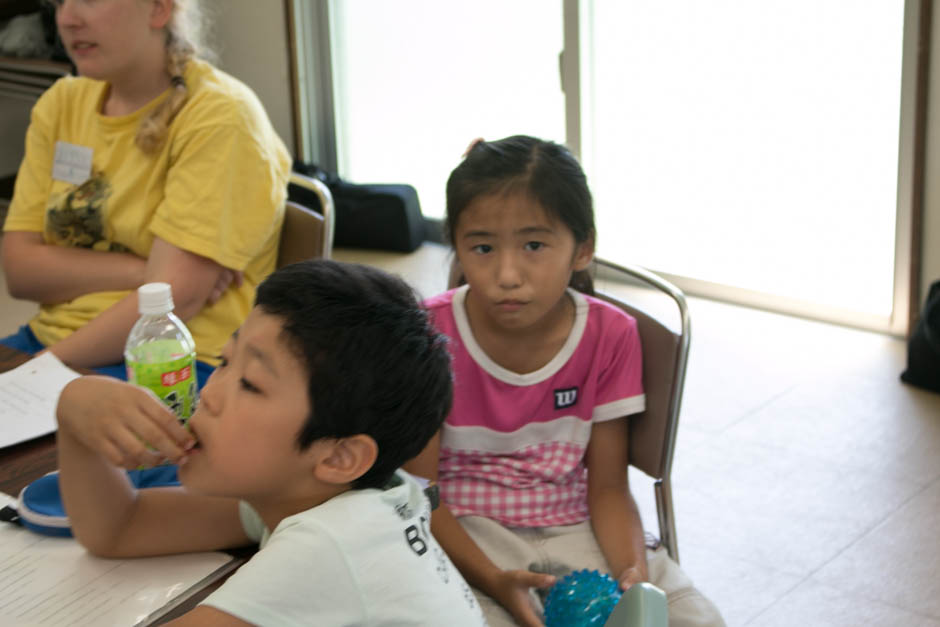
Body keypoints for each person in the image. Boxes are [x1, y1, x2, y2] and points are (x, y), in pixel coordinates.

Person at [55, 259, 486, 626]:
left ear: (339, 456)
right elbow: (118, 528)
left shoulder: (327, 543)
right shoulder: (321, 492)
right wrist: (74, 414)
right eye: (224, 361)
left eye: (249, 383)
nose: (208, 393)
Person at [404, 135, 725, 627]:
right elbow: (422, 494)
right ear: (457, 245)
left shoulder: (610, 333)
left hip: (580, 528)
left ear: (583, 248)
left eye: (534, 245)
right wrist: (493, 579)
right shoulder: (429, 331)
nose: (507, 274)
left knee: (693, 620)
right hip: (467, 540)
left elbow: (609, 488)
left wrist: (632, 575)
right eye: (483, 247)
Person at [1, 0, 290, 385]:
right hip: (51, 343)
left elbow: (174, 303)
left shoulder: (222, 117)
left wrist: (32, 374)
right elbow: (20, 273)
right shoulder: (62, 103)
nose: (67, 19)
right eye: (61, 1)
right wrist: (147, 271)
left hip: (171, 361)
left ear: (158, 10)